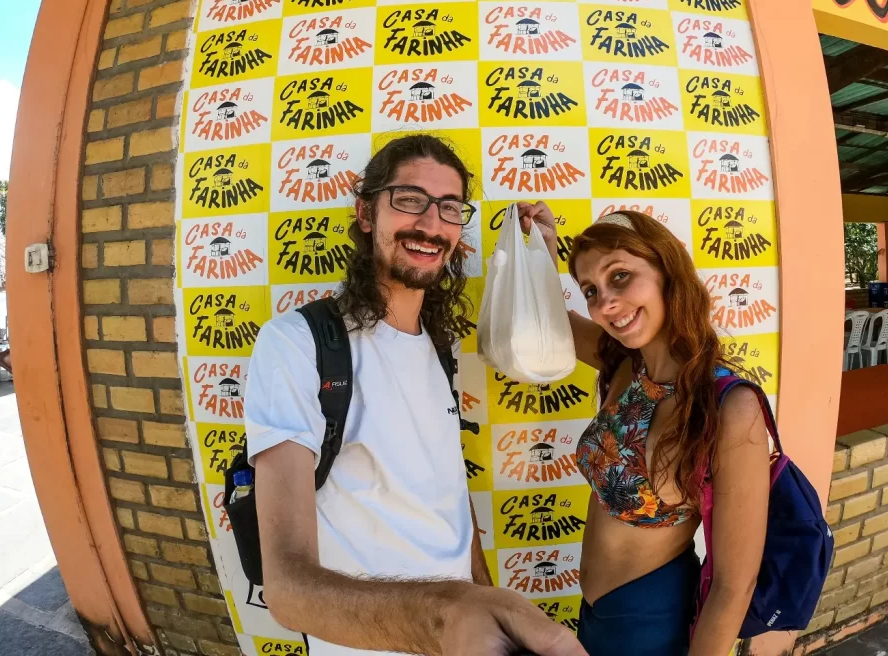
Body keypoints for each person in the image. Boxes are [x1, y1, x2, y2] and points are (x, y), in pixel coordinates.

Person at [244, 135, 585, 656]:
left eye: (450, 208)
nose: (431, 224)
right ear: (365, 213)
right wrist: (451, 615)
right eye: (408, 200)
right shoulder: (296, 342)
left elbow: (444, 492)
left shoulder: (439, 343)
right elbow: (288, 592)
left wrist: (481, 591)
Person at [516, 203, 770, 656]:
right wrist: (545, 251)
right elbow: (555, 319)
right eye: (590, 290)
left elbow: (734, 584)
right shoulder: (623, 366)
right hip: (590, 615)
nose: (605, 304)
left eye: (619, 276)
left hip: (652, 623)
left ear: (666, 269)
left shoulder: (730, 408)